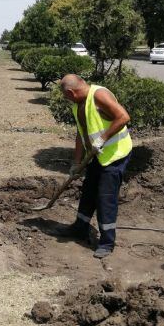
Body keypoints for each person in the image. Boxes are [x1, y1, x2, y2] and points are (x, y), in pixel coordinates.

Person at [54, 73, 132, 258]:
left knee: (106, 198)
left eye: (66, 97)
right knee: (88, 191)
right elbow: (81, 134)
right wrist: (76, 162)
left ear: (72, 93)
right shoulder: (79, 104)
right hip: (97, 156)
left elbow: (123, 117)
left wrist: (102, 139)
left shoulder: (99, 95)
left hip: (115, 155)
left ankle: (107, 242)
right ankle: (80, 228)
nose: (67, 100)